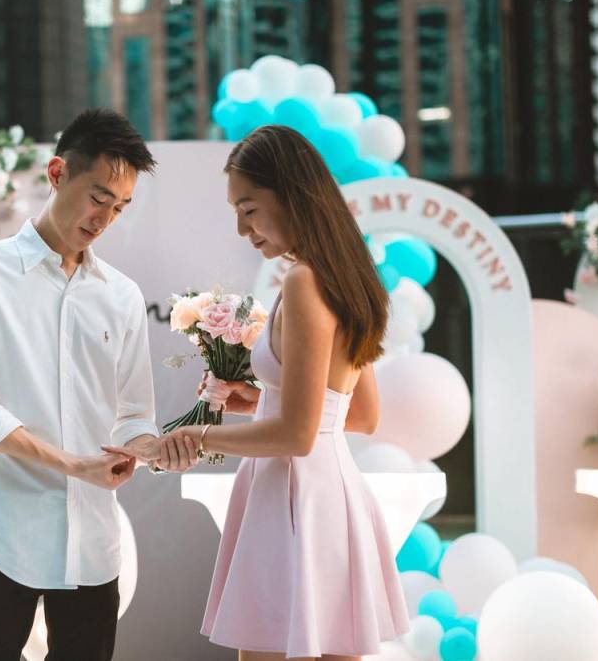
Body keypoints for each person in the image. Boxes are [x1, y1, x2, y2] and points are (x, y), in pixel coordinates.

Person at [108, 125, 409, 660]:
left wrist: (198, 436)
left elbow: (297, 435)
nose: (242, 229)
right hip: (332, 499)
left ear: (292, 195)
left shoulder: (303, 282)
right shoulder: (347, 279)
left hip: (290, 498)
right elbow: (359, 414)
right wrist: (261, 400)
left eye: (248, 209)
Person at [0, 108, 198, 661]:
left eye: (120, 207)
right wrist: (73, 465)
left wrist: (152, 448)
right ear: (57, 173)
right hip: (2, 535)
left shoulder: (121, 295)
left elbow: (134, 413)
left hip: (93, 546)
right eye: (98, 197)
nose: (105, 218)